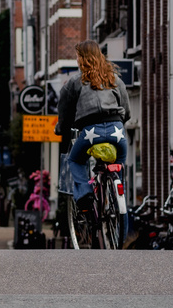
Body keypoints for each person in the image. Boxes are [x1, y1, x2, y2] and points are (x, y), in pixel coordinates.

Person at [56, 41, 130, 216]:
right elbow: (126, 111)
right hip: (117, 130)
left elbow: (64, 112)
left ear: (81, 59)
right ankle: (116, 196)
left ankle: (85, 195)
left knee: (75, 160)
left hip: (90, 132)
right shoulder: (114, 79)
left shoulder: (74, 82)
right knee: (118, 166)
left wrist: (62, 129)